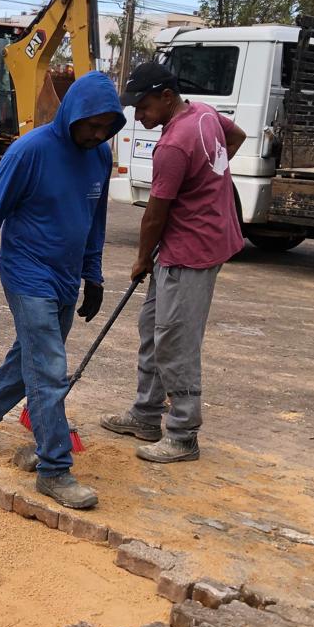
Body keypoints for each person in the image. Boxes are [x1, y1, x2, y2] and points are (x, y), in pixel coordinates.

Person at [0, 71, 124, 511]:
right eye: (91, 125)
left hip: (66, 276)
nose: (97, 134)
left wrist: (93, 275)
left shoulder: (100, 156)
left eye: (106, 127)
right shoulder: (29, 151)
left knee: (29, 359)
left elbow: (96, 219)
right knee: (49, 369)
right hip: (27, 272)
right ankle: (54, 469)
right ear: (73, 114)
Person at [100, 62, 246, 463]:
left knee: (176, 339)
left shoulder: (173, 145)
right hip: (189, 243)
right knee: (153, 327)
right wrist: (209, 182)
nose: (139, 116)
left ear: (167, 97)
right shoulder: (204, 113)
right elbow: (236, 135)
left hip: (191, 251)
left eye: (144, 107)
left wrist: (140, 259)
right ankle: (145, 414)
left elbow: (155, 215)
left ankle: (183, 434)